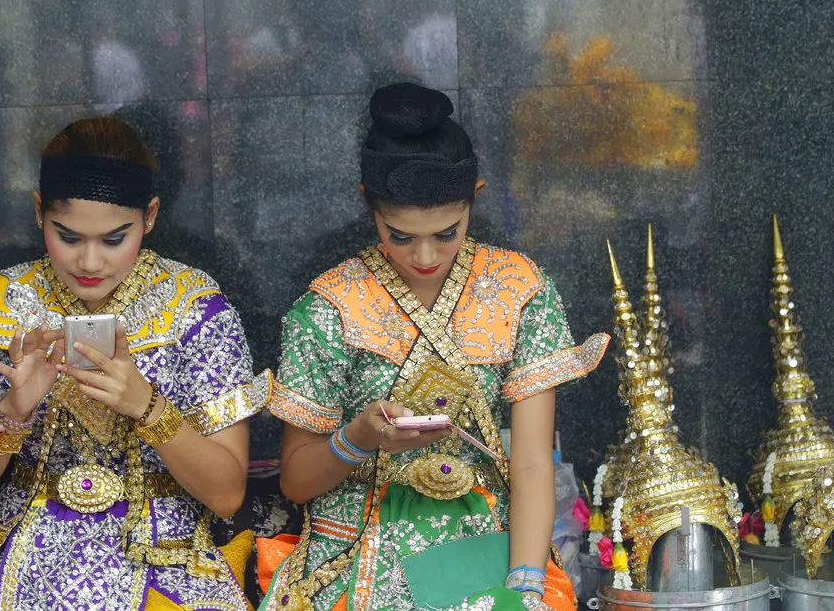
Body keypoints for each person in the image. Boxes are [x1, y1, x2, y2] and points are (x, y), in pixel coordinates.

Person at [259, 83, 609, 610]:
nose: (425, 255)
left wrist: (527, 585)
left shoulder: (519, 289)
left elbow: (533, 463)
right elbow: (296, 481)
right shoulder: (331, 308)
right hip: (357, 541)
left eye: (447, 232)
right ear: (366, 204)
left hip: (484, 537)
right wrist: (358, 437)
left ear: (476, 198)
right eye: (399, 235)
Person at [0, 117, 270, 610]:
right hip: (19, 549)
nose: (89, 263)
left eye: (114, 239)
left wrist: (147, 406)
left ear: (149, 216)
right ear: (38, 212)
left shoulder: (195, 308)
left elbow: (226, 495)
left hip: (164, 552)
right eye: (68, 237)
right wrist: (12, 412)